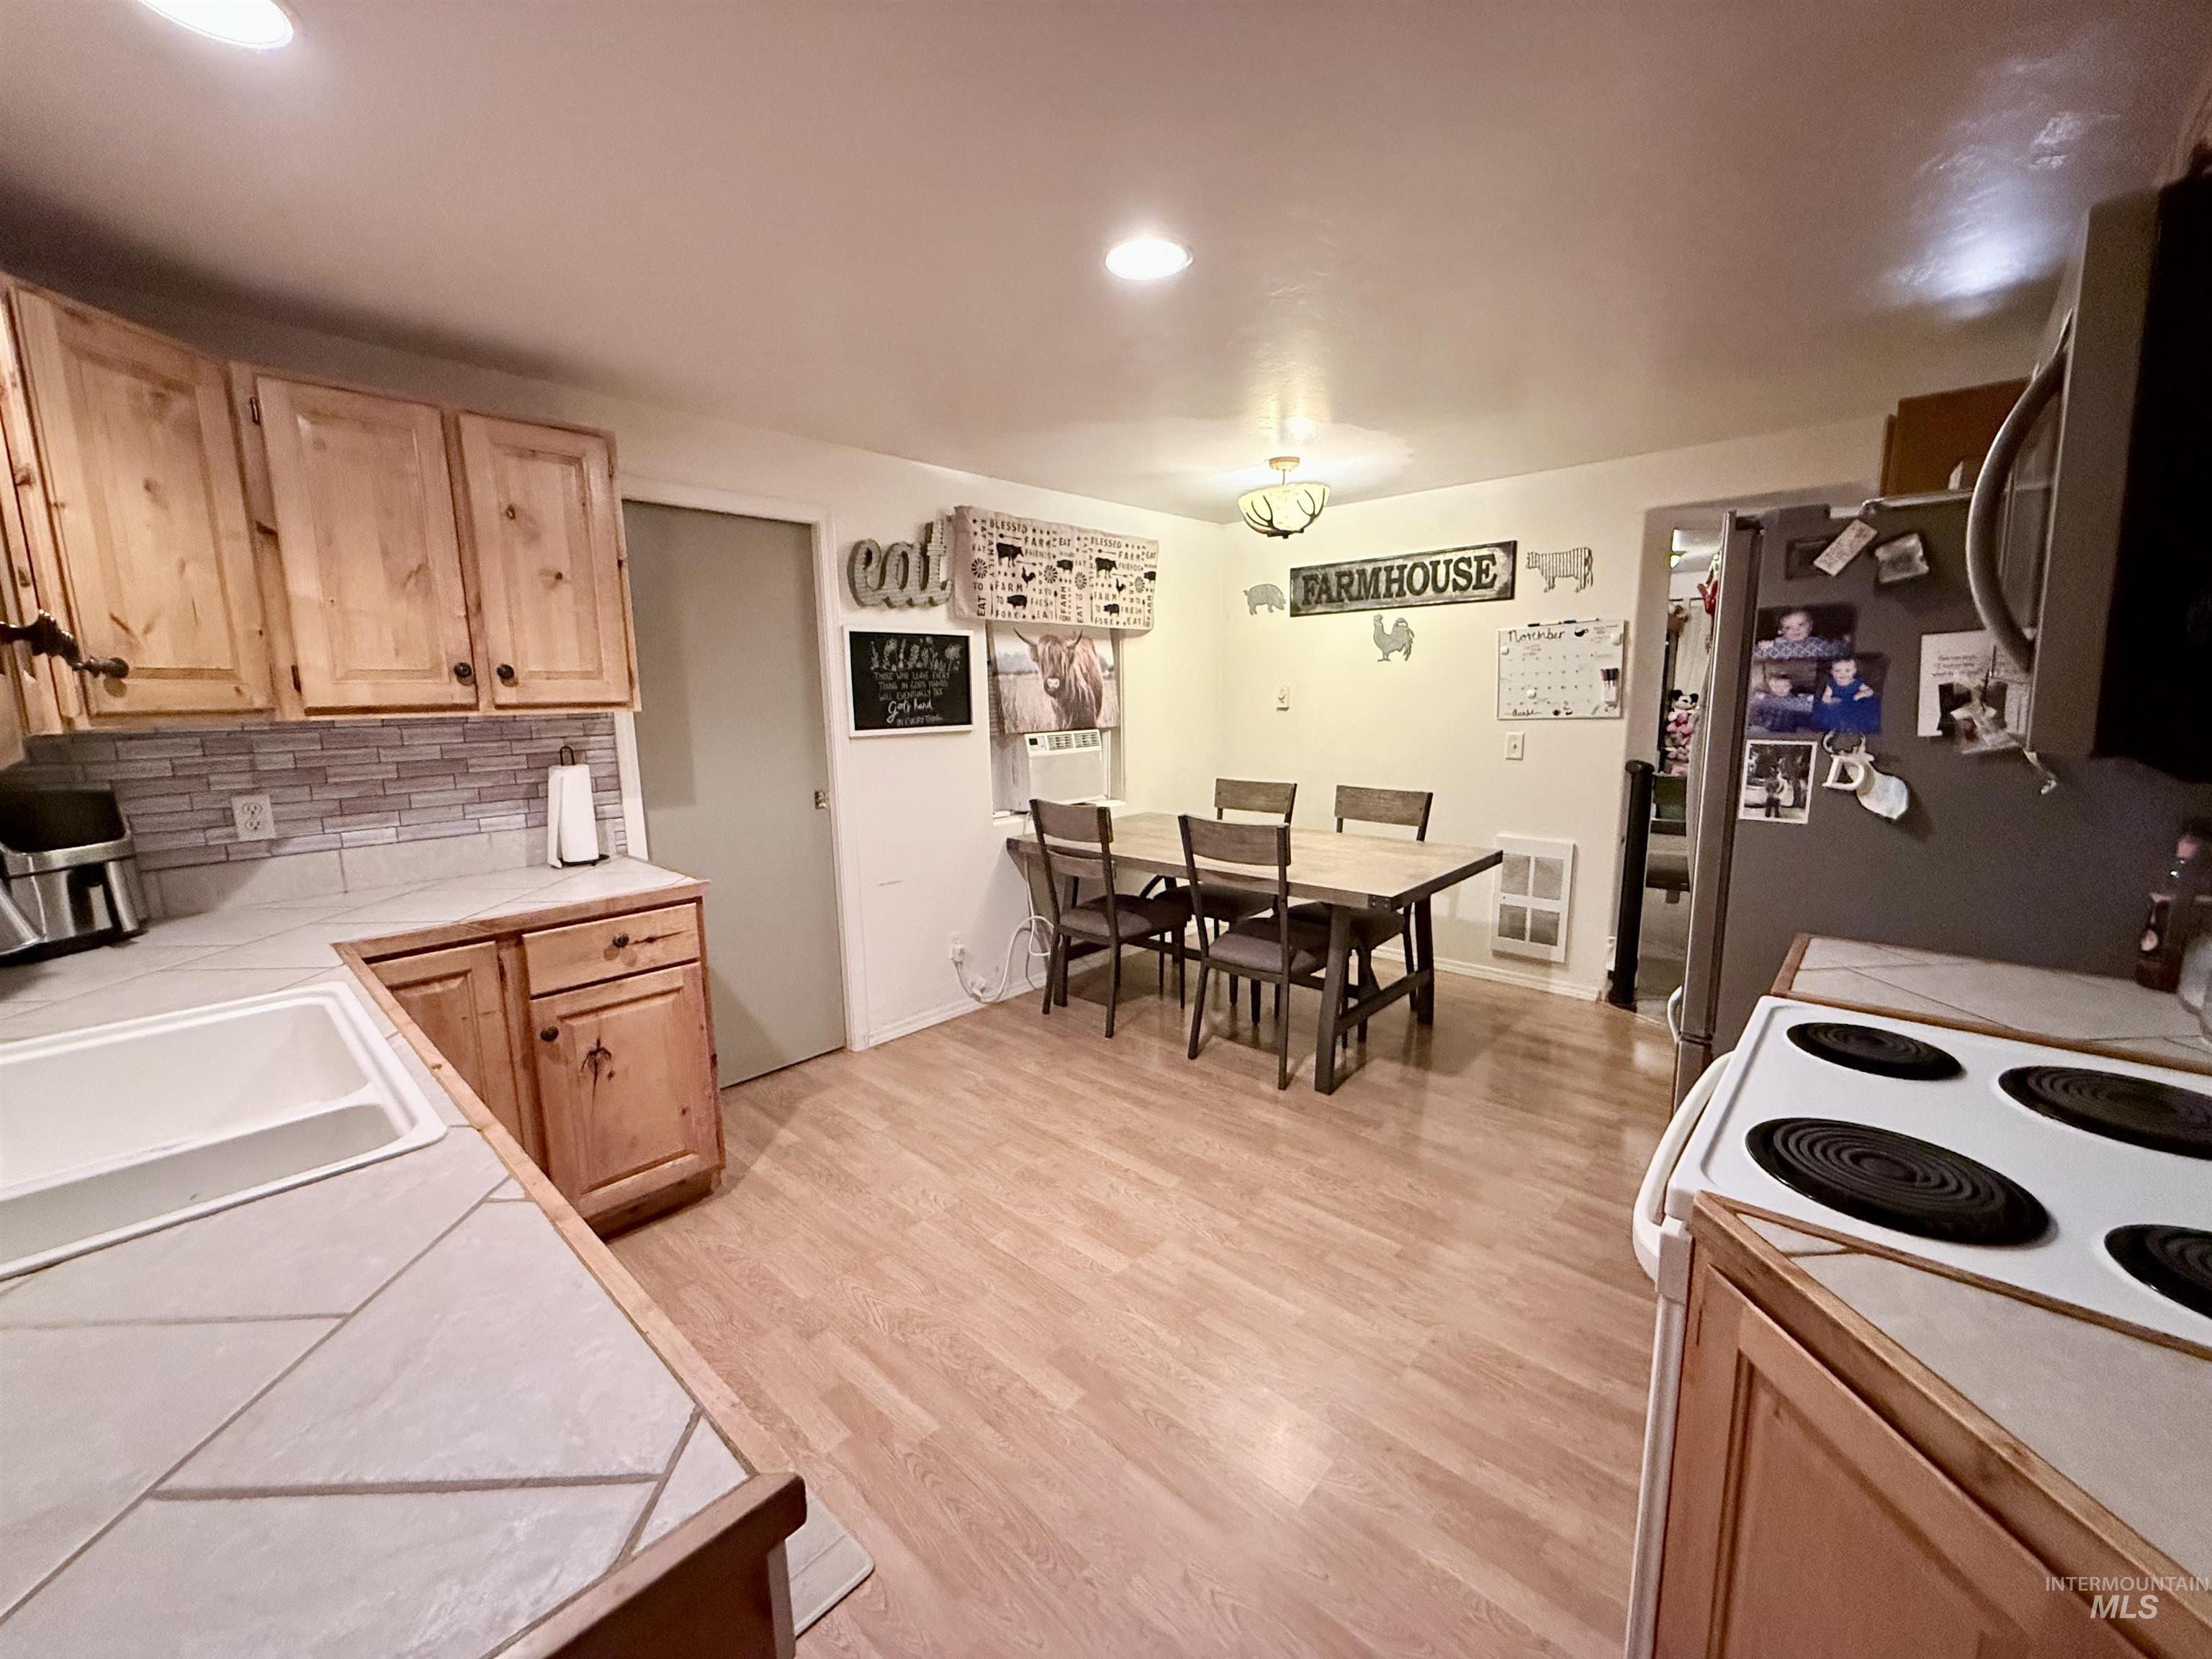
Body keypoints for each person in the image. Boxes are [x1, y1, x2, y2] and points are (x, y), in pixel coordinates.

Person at [1814, 655, 1881, 734]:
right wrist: (1828, 699)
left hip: (1854, 703)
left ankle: (1852, 727)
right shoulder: (1832, 684)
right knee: (1830, 709)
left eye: (1847, 671)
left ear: (1854, 671)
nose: (1843, 674)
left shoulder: (1856, 683)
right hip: (1839, 704)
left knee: (1865, 710)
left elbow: (1870, 691)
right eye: (1837, 671)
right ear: (1832, 672)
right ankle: (1840, 727)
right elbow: (1827, 695)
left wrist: (1862, 694)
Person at [1748, 667, 1812, 734]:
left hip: (1790, 733)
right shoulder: (1764, 700)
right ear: (1771, 686)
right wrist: (1764, 724)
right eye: (1777, 687)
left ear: (1791, 686)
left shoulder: (1796, 700)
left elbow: (1803, 717)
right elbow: (1754, 716)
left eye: (1785, 686)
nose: (1781, 690)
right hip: (1767, 732)